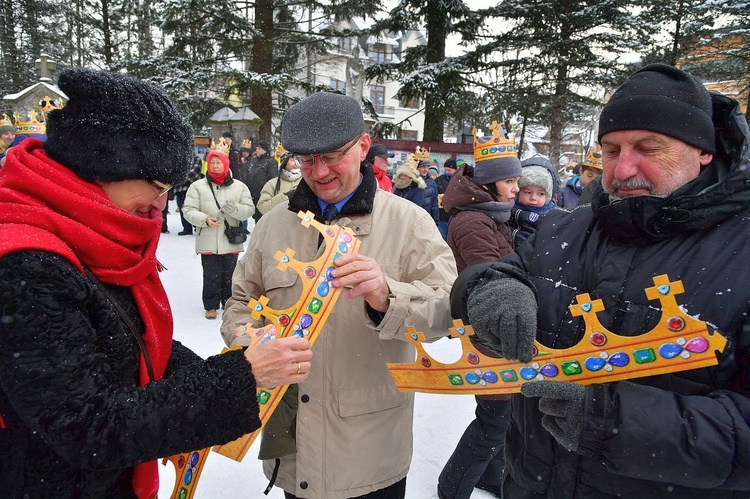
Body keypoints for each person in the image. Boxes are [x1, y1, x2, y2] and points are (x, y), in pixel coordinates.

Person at [0, 67, 313, 499]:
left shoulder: (96, 235)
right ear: (102, 167)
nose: (161, 204)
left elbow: (132, 345)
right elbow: (88, 427)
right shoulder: (27, 268)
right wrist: (238, 377)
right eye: (157, 185)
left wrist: (225, 376)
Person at [452, 63, 750, 497]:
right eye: (611, 150)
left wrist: (614, 423)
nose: (624, 168)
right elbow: (500, 271)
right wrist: (490, 290)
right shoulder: (564, 228)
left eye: (649, 148)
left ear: (703, 150)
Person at [221, 91, 457, 499]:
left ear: (363, 146)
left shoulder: (409, 222)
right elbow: (240, 303)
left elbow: (446, 313)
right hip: (293, 447)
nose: (320, 172)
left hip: (370, 452)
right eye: (306, 160)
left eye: (332, 156)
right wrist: (251, 343)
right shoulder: (273, 225)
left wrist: (387, 296)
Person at [437, 124, 522, 499]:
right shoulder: (473, 221)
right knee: (495, 418)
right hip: (486, 329)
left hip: (497, 328)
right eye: (509, 181)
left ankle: (491, 475)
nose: (517, 189)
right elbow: (493, 279)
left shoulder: (490, 214)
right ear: (489, 184)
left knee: (502, 417)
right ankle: (452, 487)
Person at [182, 140, 255, 320]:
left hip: (231, 239)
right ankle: (211, 305)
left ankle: (228, 303)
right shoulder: (197, 186)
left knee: (230, 274)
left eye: (218, 161)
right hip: (207, 237)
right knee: (211, 274)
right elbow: (188, 210)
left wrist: (236, 210)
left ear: (226, 163)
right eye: (212, 161)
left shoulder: (239, 186)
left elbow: (249, 209)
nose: (215, 165)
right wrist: (204, 219)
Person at [509, 156, 560, 246]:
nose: (533, 198)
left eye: (540, 194)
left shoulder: (553, 217)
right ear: (518, 192)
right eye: (528, 192)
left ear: (548, 196)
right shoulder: (507, 211)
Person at [245, 139, 279, 222]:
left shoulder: (270, 162)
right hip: (253, 194)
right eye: (256, 149)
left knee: (264, 218)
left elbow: (273, 178)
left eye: (259, 149)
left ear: (265, 150)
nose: (257, 151)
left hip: (264, 193)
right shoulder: (253, 161)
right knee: (257, 217)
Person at [174, 155, 204, 235]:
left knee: (194, 208)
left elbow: (194, 172)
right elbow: (174, 172)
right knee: (182, 208)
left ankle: (197, 226)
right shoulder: (178, 158)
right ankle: (186, 228)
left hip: (192, 188)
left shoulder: (196, 158)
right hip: (179, 188)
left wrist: (181, 177)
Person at [435, 158, 460, 239]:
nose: (447, 172)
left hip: (454, 213)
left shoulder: (459, 180)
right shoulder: (439, 179)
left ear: (455, 170)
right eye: (445, 170)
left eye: (449, 170)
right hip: (442, 214)